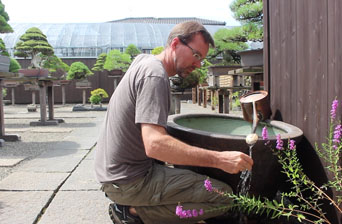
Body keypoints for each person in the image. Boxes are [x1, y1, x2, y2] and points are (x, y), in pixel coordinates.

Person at [94, 21, 254, 224]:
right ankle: (131, 212)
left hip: (114, 174)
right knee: (223, 196)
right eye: (196, 55)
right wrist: (219, 159)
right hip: (129, 182)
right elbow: (155, 145)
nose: (198, 65)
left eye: (201, 59)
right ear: (176, 43)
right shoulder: (155, 75)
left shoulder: (144, 61)